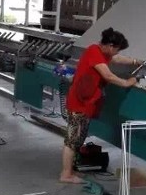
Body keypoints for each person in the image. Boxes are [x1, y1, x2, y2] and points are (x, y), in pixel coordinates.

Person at [60, 27, 139, 183]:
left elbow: (117, 59)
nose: (116, 53)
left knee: (78, 138)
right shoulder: (94, 52)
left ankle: (71, 170)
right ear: (110, 46)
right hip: (78, 102)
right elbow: (108, 75)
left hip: (85, 102)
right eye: (117, 49)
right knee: (72, 140)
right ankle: (66, 174)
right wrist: (127, 82)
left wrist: (136, 62)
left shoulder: (103, 53)